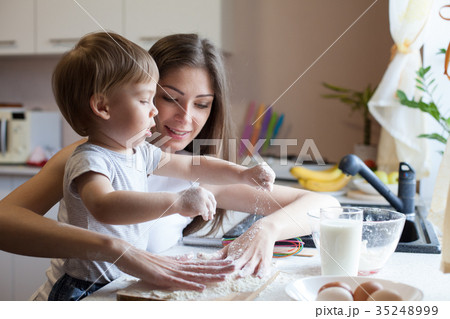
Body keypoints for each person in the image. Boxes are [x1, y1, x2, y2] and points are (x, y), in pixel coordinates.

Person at [0, 33, 339, 301]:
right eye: (167, 98)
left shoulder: (181, 169)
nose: (186, 118)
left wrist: (266, 230)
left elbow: (327, 205)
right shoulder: (93, 155)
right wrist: (114, 249)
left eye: (202, 104)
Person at [45, 32, 276, 300]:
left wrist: (243, 173)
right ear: (102, 106)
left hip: (118, 278)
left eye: (201, 104)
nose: (153, 110)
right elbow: (104, 206)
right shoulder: (89, 158)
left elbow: (193, 166)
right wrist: (176, 202)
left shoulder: (139, 152)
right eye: (145, 100)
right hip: (83, 287)